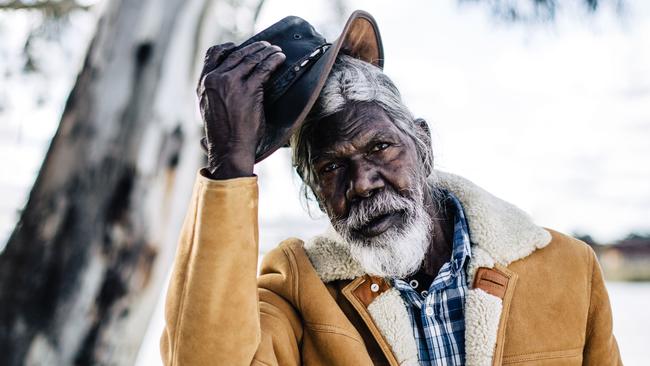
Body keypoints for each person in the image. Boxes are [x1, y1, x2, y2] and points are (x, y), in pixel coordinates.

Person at [160, 10, 621, 366]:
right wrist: (230, 164)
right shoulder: (296, 288)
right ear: (314, 192)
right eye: (330, 167)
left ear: (422, 143)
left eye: (380, 146)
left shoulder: (567, 268)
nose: (361, 183)